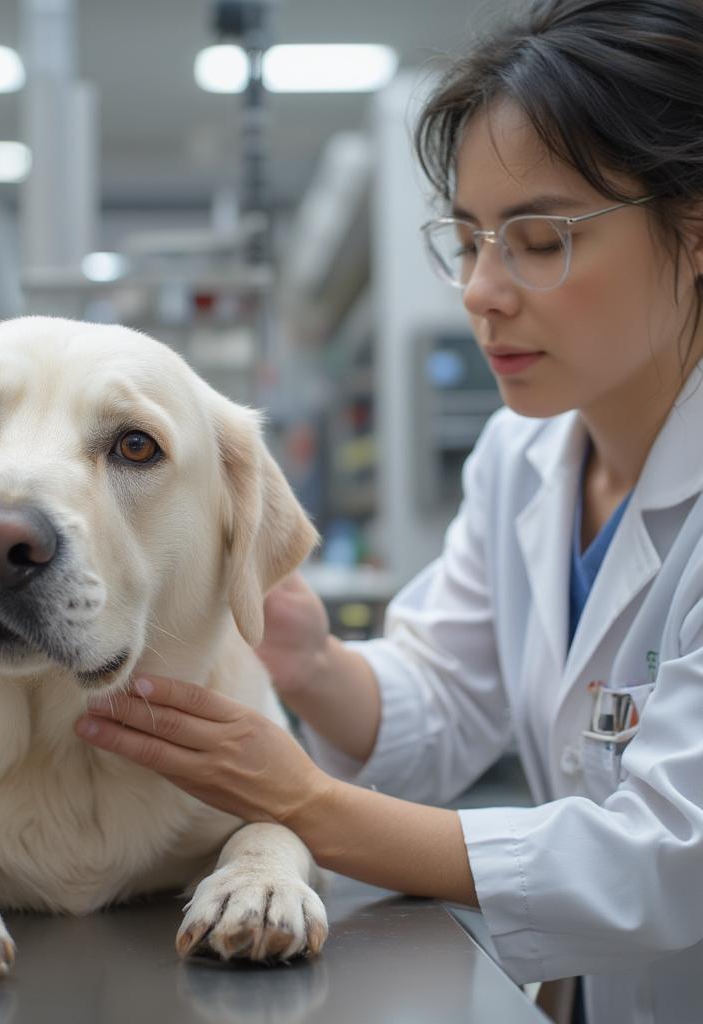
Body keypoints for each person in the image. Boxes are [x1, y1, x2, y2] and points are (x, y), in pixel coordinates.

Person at [74, 1, 703, 1021]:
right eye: (466, 239)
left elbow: (669, 856)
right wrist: (311, 663)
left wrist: (300, 803)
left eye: (538, 240)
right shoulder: (525, 454)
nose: (480, 290)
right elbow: (450, 695)